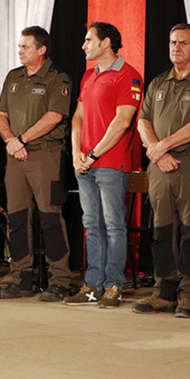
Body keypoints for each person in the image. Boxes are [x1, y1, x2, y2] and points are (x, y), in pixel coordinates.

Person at [134, 23, 190, 318]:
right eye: (172, 42)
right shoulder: (159, 82)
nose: (176, 48)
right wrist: (158, 152)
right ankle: (163, 292)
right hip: (159, 167)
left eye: (183, 43)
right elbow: (142, 121)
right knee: (161, 231)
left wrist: (163, 147)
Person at [66, 22, 142, 308]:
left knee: (113, 225)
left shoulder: (128, 75)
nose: (84, 45)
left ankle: (113, 286)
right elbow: (77, 117)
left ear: (106, 42)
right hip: (84, 163)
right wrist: (76, 153)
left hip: (110, 163)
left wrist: (94, 154)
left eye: (89, 40)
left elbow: (123, 121)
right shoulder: (88, 76)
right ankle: (92, 284)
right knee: (91, 224)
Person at [0, 26, 73, 301]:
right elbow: (1, 113)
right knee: (16, 219)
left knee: (50, 218)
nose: (20, 51)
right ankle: (20, 277)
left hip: (44, 156)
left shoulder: (57, 78)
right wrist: (11, 142)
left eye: (25, 47)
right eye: (19, 46)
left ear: (42, 50)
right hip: (15, 156)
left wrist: (22, 139)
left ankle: (60, 279)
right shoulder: (13, 77)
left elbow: (54, 116)